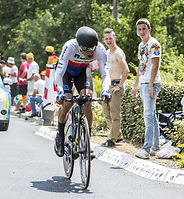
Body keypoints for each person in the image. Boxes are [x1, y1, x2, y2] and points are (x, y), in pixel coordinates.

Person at [54, 26, 111, 157]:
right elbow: (59, 73)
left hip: (82, 71)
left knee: (88, 100)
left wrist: (105, 91)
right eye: (85, 50)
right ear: (79, 47)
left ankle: (86, 141)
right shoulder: (70, 46)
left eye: (92, 49)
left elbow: (105, 74)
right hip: (66, 72)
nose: (90, 53)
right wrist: (60, 92)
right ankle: (61, 136)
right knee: (67, 103)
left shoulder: (101, 49)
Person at [131, 18, 162, 159]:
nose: (142, 31)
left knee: (148, 116)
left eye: (144, 29)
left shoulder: (154, 44)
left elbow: (155, 65)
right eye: (139, 29)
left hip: (152, 83)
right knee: (152, 116)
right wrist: (135, 85)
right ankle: (155, 147)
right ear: (137, 31)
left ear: (149, 29)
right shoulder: (141, 45)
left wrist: (150, 85)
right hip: (143, 83)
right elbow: (141, 66)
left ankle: (146, 149)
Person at [101, 28, 130, 147]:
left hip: (116, 85)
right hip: (108, 85)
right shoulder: (107, 53)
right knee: (106, 112)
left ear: (115, 38)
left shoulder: (118, 53)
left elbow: (126, 70)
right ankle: (118, 136)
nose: (109, 41)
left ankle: (111, 140)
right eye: (106, 39)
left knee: (114, 113)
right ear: (103, 40)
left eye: (110, 38)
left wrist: (120, 85)